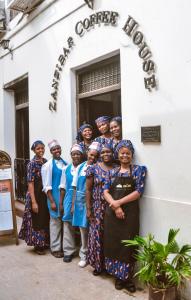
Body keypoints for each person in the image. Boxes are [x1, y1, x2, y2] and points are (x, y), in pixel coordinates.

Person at [103, 140, 147, 292]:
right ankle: (117, 276)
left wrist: (118, 203)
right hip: (113, 216)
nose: (125, 155)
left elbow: (138, 192)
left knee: (128, 246)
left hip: (130, 215)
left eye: (127, 153)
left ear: (132, 155)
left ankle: (127, 278)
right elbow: (105, 191)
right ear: (117, 155)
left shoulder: (138, 171)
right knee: (115, 244)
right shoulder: (111, 172)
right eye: (122, 153)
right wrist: (115, 207)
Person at [86, 143, 115, 275]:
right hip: (97, 207)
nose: (105, 154)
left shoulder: (117, 168)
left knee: (110, 236)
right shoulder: (93, 168)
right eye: (102, 152)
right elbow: (88, 189)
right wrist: (88, 208)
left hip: (112, 206)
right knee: (97, 235)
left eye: (108, 151)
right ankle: (98, 265)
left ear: (113, 152)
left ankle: (110, 266)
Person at [72, 141, 100, 268]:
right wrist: (73, 204)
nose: (92, 157)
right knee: (83, 229)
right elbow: (74, 187)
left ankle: (93, 255)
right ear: (87, 153)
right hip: (80, 201)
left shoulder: (98, 168)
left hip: (94, 200)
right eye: (91, 154)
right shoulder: (80, 167)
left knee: (93, 229)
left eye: (95, 156)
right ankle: (83, 255)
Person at [19, 140, 49, 255]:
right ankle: (38, 244)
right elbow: (30, 183)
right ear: (34, 150)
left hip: (44, 195)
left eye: (42, 148)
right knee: (36, 219)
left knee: (43, 218)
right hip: (35, 194)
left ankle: (44, 242)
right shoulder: (32, 164)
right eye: (38, 149)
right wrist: (33, 202)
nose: (41, 150)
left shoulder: (45, 161)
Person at [41, 140, 67, 258]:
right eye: (54, 149)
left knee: (64, 222)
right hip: (54, 197)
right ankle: (55, 248)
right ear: (51, 152)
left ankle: (63, 246)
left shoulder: (65, 163)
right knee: (55, 222)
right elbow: (46, 186)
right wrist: (51, 201)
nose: (57, 151)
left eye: (58, 148)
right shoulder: (47, 166)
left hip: (64, 196)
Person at [59, 144, 84, 263]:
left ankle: (83, 251)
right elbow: (63, 187)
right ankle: (68, 251)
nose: (75, 156)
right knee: (67, 223)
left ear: (81, 155)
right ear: (71, 155)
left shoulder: (85, 167)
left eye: (78, 154)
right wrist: (61, 203)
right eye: (73, 154)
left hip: (81, 198)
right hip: (69, 198)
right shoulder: (66, 169)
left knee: (82, 225)